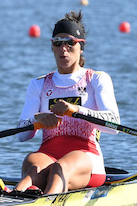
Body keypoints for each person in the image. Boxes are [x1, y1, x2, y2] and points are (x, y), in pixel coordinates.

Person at [15, 11, 120, 195]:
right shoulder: (38, 84)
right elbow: (22, 135)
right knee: (32, 166)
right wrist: (37, 120)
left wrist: (76, 110)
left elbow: (114, 125)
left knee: (59, 169)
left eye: (70, 42)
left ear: (81, 47)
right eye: (58, 42)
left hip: (87, 156)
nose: (63, 48)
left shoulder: (96, 79)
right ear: (52, 47)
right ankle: (11, 199)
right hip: (48, 152)